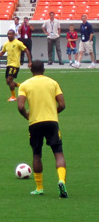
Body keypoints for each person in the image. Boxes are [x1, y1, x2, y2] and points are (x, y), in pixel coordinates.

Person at [17, 60, 67, 197]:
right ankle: (61, 181)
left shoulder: (25, 85)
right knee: (58, 153)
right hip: (52, 122)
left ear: (31, 70)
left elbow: (20, 106)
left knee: (37, 155)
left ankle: (39, 188)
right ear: (44, 70)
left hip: (35, 123)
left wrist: (27, 116)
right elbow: (62, 104)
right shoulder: (53, 82)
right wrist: (53, 112)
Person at [0, 29, 32, 102]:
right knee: (8, 82)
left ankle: (13, 96)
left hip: (15, 65)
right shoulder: (6, 44)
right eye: (8, 34)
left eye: (11, 34)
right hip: (9, 64)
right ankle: (22, 86)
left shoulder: (18, 43)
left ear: (14, 35)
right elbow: (2, 53)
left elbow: (26, 50)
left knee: (10, 80)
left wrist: (29, 61)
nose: (9, 35)